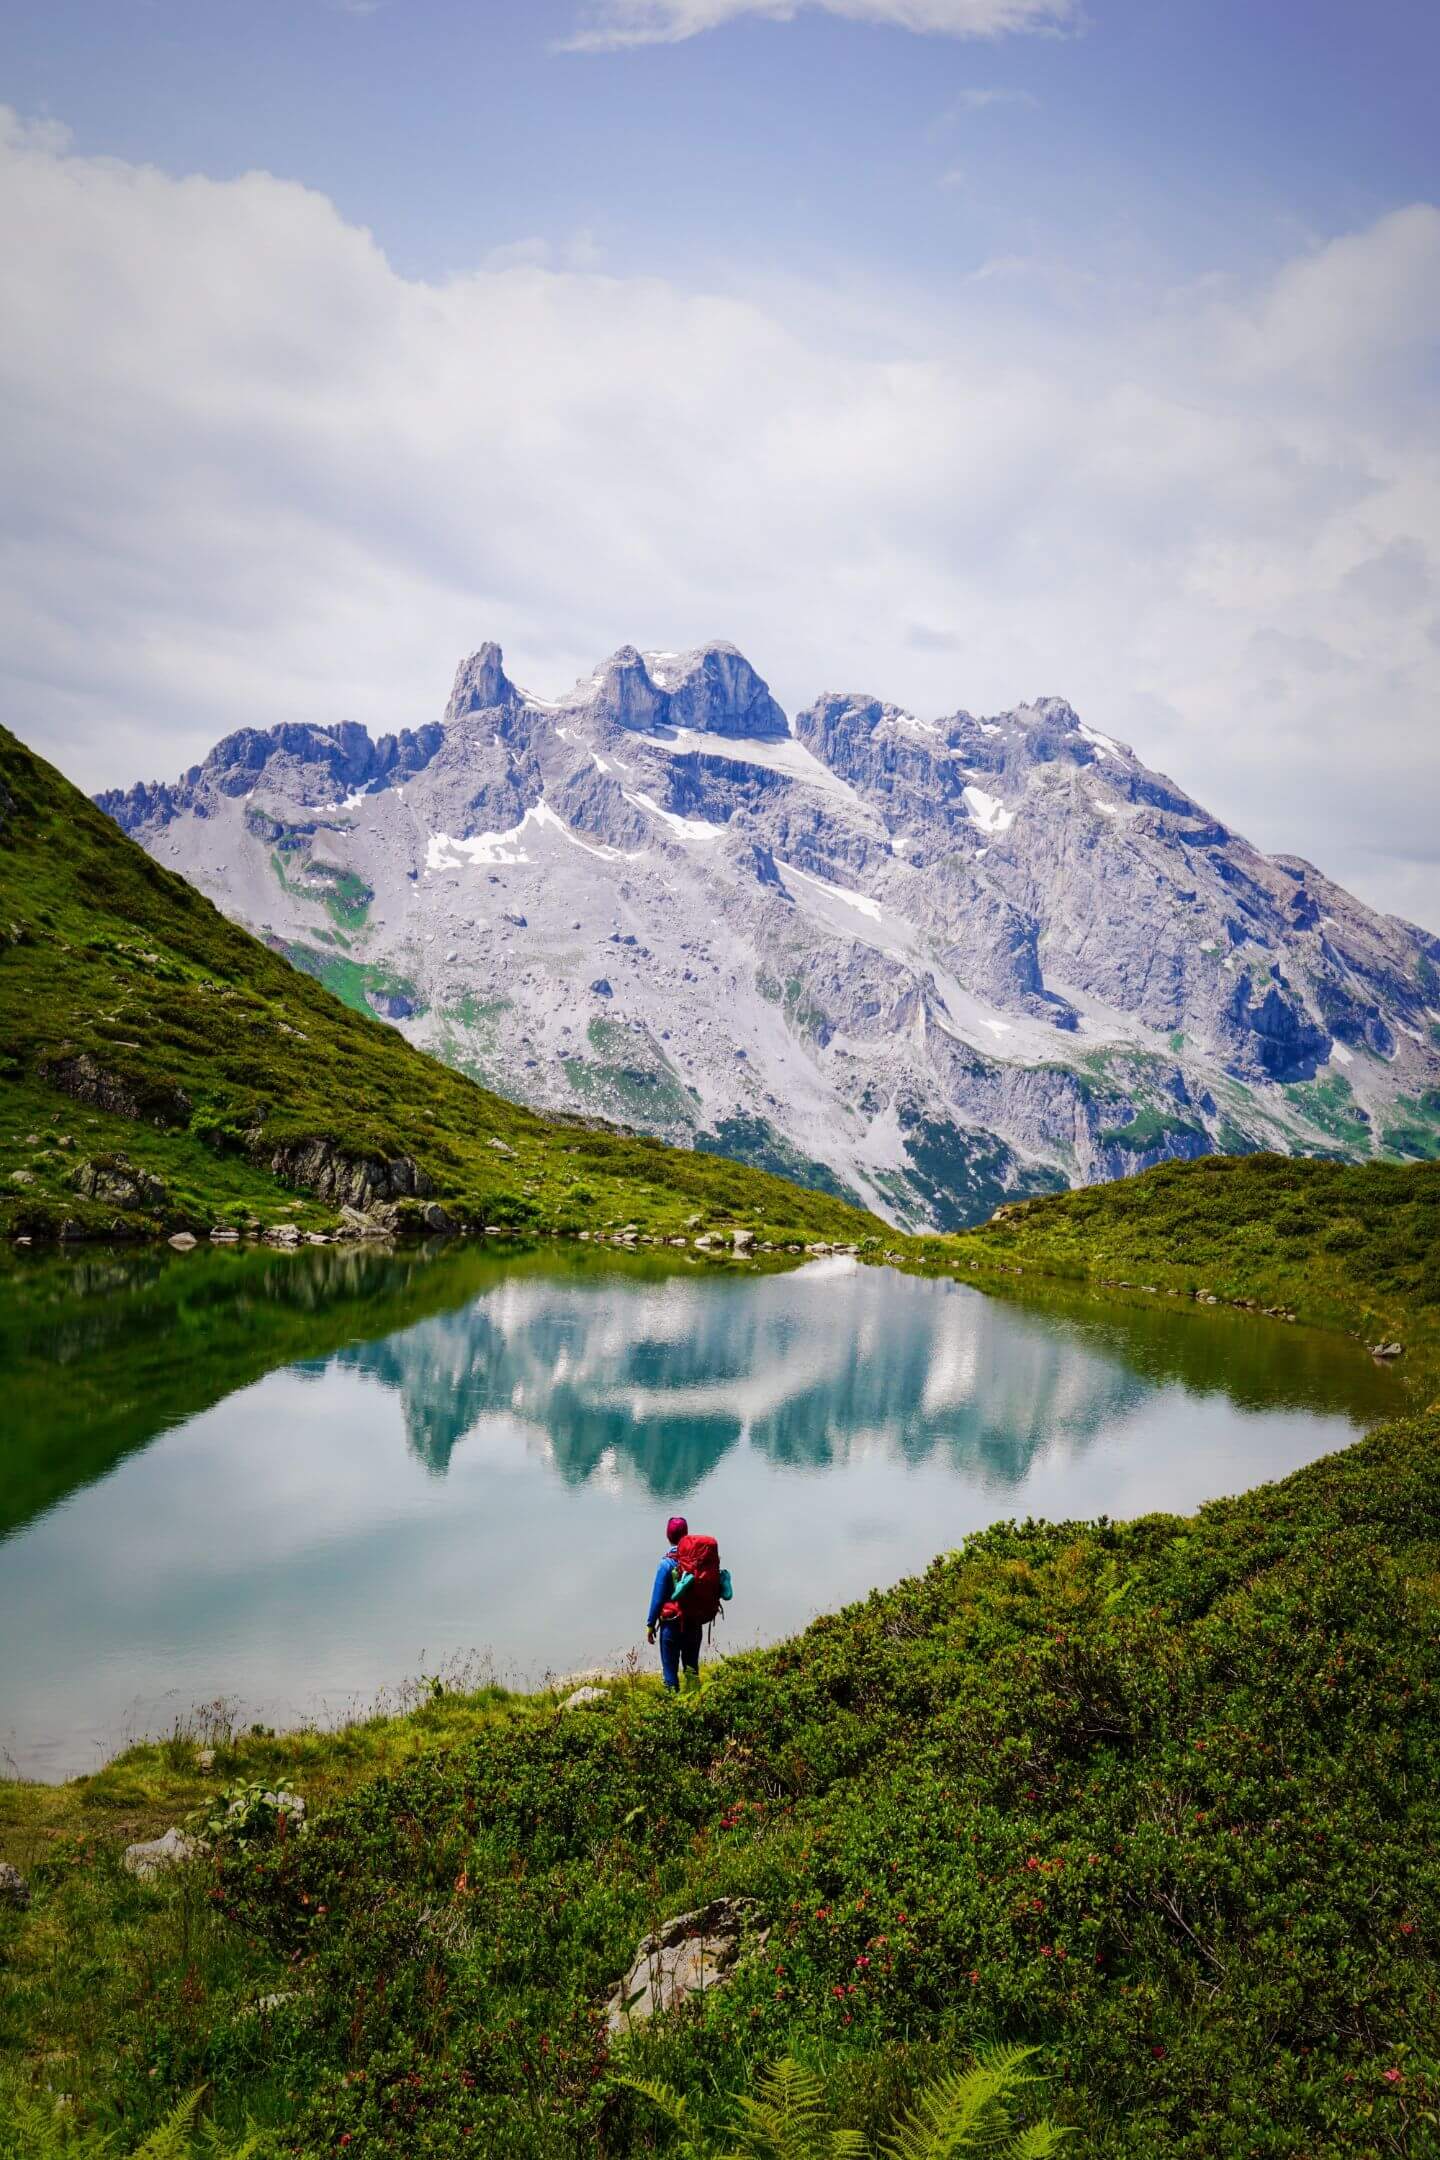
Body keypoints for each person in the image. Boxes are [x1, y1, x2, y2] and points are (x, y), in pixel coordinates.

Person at [647, 1513, 705, 1691]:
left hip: (671, 1626)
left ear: (668, 1536)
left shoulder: (666, 1564)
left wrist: (650, 1624)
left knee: (670, 1673)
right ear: (687, 1534)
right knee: (691, 1670)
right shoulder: (697, 1561)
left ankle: (674, 1712)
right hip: (694, 1624)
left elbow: (657, 1598)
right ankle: (697, 1705)